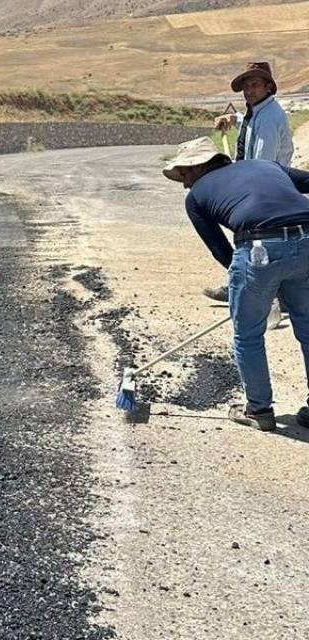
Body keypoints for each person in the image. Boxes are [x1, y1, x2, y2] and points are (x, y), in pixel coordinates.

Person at [163, 137, 309, 431]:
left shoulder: (196, 197)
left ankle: (259, 410)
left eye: (184, 174)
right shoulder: (266, 166)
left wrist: (253, 289)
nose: (184, 183)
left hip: (259, 249)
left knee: (248, 334)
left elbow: (221, 251)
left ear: (199, 166)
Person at [204, 62, 296, 302]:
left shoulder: (268, 119)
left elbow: (262, 164)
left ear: (268, 87)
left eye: (255, 84)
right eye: (246, 86)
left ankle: (245, 287)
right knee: (257, 244)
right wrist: (231, 118)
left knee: (254, 242)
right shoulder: (258, 111)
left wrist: (241, 187)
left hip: (263, 189)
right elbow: (246, 119)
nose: (249, 90)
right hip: (258, 186)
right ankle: (249, 285)